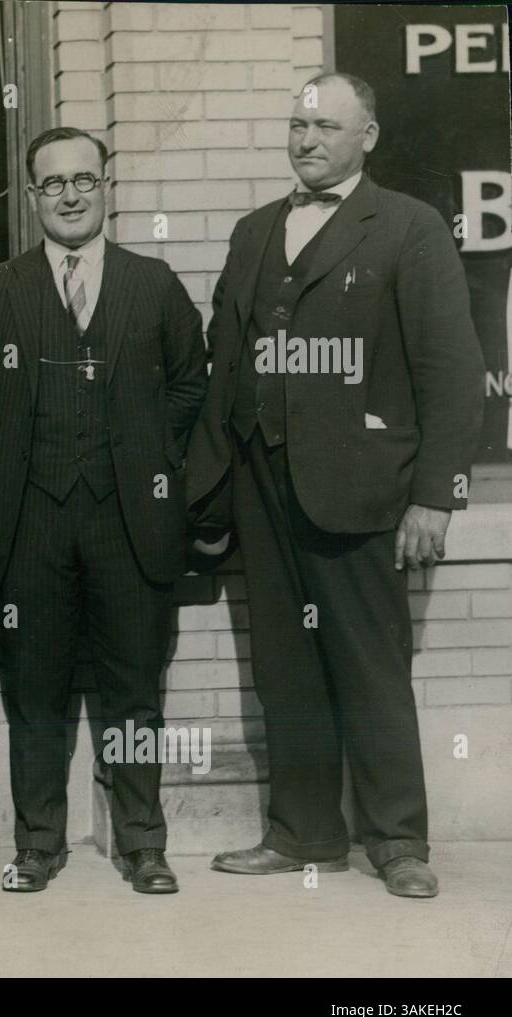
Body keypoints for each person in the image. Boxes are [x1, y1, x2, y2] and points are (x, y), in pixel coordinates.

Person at [185, 73, 484, 898]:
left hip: (362, 492)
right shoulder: (253, 233)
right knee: (286, 669)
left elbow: (452, 374)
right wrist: (209, 491)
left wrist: (436, 495)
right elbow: (224, 364)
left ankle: (398, 842)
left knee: (370, 668)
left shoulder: (409, 229)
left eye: (325, 125)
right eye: (297, 124)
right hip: (263, 489)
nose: (307, 138)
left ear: (369, 137)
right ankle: (303, 833)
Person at [0, 128, 207, 894]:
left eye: (83, 180)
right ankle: (37, 842)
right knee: (34, 691)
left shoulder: (154, 283)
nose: (69, 195)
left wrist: (137, 453)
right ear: (31, 196)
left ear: (108, 186)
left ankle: (142, 841)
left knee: (133, 689)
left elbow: (189, 388)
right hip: (29, 522)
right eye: (52, 183)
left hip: (129, 521)